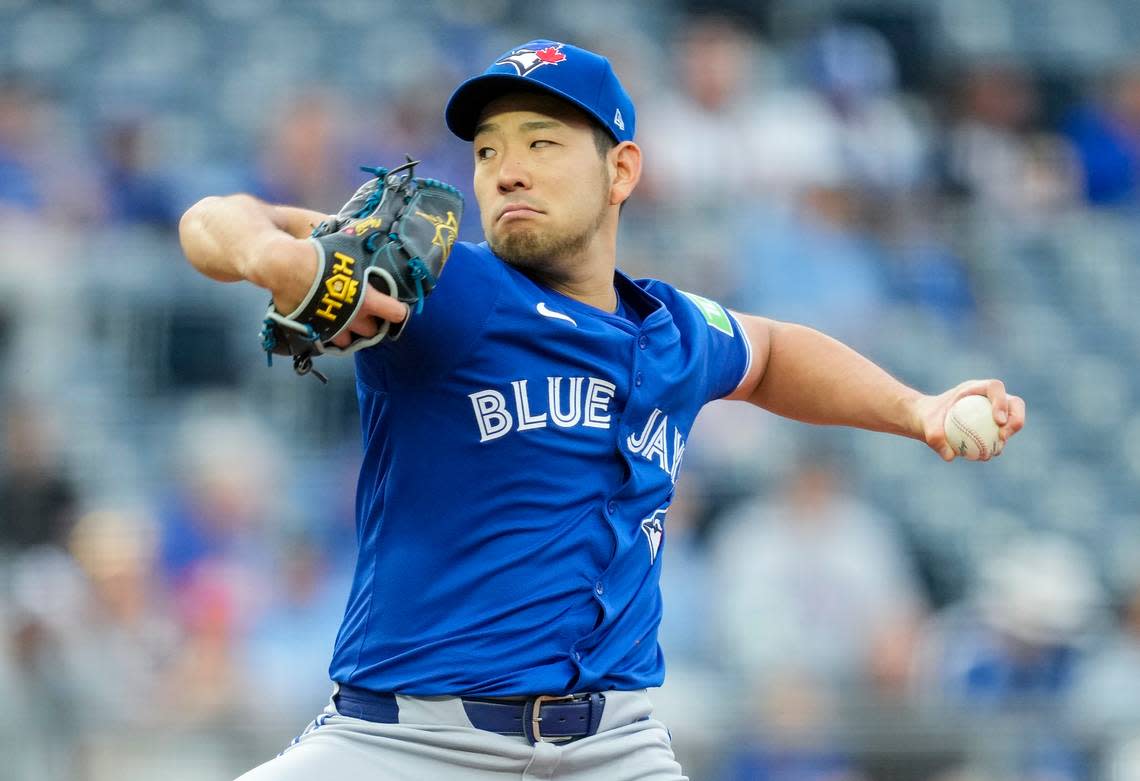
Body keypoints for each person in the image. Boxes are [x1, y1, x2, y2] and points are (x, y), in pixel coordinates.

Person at [178, 38, 1025, 781]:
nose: (505, 168)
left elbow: (771, 353)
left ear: (621, 169)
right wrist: (274, 258)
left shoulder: (676, 331)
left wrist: (917, 407)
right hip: (410, 745)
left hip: (614, 746)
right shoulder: (454, 288)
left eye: (542, 142)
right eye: (485, 150)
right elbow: (213, 219)